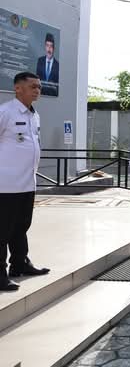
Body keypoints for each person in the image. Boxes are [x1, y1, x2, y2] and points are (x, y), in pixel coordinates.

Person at [0, 72, 50, 291]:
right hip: (6, 185)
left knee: (21, 226)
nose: (37, 90)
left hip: (28, 182)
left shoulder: (34, 115)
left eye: (39, 87)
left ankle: (20, 263)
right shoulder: (5, 112)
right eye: (33, 86)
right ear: (18, 88)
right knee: (2, 231)